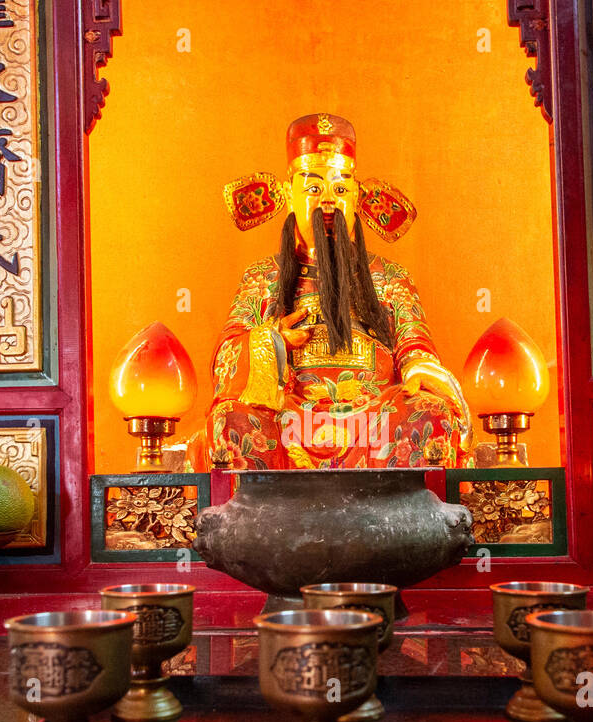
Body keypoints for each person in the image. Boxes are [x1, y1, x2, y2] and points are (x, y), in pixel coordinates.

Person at [201, 113, 471, 469]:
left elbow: (415, 343)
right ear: (288, 194)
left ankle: (407, 521)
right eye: (313, 188)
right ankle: (259, 521)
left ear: (357, 196)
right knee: (231, 420)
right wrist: (270, 341)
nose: (328, 201)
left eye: (340, 189)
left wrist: (419, 369)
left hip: (376, 421)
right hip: (291, 420)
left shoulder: (390, 277)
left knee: (429, 414)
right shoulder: (262, 277)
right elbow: (226, 358)